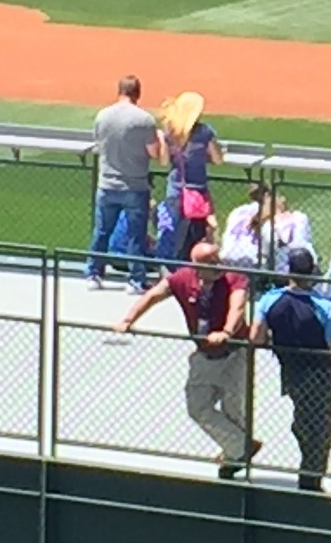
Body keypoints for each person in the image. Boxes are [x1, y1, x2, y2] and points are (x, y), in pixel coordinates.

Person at [111, 239, 261, 479]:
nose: (218, 266)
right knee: (198, 407)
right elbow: (153, 295)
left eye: (218, 259)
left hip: (235, 352)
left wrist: (226, 331)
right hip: (204, 354)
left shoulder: (234, 278)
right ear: (197, 267)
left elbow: (238, 307)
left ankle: (234, 457)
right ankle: (242, 447)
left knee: (234, 409)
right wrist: (128, 320)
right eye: (211, 263)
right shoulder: (182, 279)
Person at [249, 246, 331, 493]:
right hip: (320, 373)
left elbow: (256, 337)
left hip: (291, 371)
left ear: (288, 271)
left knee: (305, 419)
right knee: (320, 427)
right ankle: (311, 478)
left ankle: (309, 469)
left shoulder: (269, 300)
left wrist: (274, 340)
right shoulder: (323, 306)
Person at [89, 76, 159, 291]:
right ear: (138, 93)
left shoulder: (102, 115)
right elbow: (154, 152)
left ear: (119, 91)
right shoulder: (145, 119)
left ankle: (93, 274)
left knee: (102, 232)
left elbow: (98, 143)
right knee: (135, 236)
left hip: (106, 184)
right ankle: (136, 280)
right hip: (135, 186)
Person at [154, 91, 223, 261]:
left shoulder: (170, 131)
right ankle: (192, 267)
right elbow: (218, 159)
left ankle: (172, 268)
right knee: (196, 235)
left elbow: (164, 161)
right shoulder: (204, 132)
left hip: (175, 190)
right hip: (197, 192)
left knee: (175, 234)